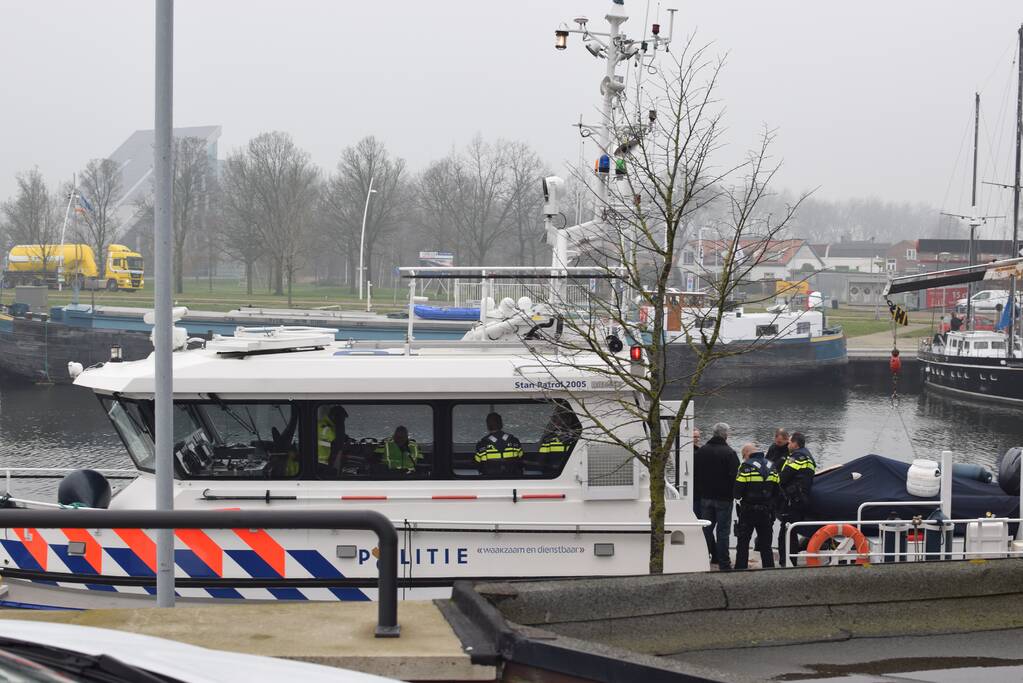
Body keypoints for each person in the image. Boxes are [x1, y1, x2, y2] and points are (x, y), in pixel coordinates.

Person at [694, 422, 739, 571]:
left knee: (706, 530)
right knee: (723, 531)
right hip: (724, 499)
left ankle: (702, 560)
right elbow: (735, 478)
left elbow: (696, 474)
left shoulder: (701, 452)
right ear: (725, 435)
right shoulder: (730, 453)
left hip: (705, 497)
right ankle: (724, 564)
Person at [734, 443, 778, 570]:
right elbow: (777, 491)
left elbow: (737, 493)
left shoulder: (746, 467)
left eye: (743, 456)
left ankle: (740, 570)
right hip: (766, 511)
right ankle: (769, 570)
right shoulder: (772, 466)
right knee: (766, 545)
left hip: (748, 511)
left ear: (747, 454)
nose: (743, 459)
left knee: (743, 543)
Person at [777, 431, 816, 566]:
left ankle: (787, 561)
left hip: (793, 499)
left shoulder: (797, 457)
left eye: (790, 442)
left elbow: (783, 478)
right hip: (801, 498)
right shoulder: (807, 456)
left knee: (786, 532)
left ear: (795, 444)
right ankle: (790, 560)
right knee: (790, 530)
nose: (788, 444)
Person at [475, 412, 524, 477]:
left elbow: (478, 464)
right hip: (512, 479)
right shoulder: (514, 440)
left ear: (488, 426)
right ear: (501, 424)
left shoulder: (482, 444)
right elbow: (521, 459)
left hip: (490, 480)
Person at [537, 407, 580, 474]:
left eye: (562, 418)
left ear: (569, 419)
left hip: (573, 472)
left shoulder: (578, 438)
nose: (558, 421)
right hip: (552, 474)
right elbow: (541, 461)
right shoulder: (548, 438)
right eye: (555, 418)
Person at [317, 405, 354, 473]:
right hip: (318, 463)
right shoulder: (324, 426)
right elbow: (337, 439)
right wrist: (341, 427)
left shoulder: (329, 426)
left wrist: (346, 437)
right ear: (335, 417)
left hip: (324, 462)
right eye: (342, 419)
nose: (342, 422)